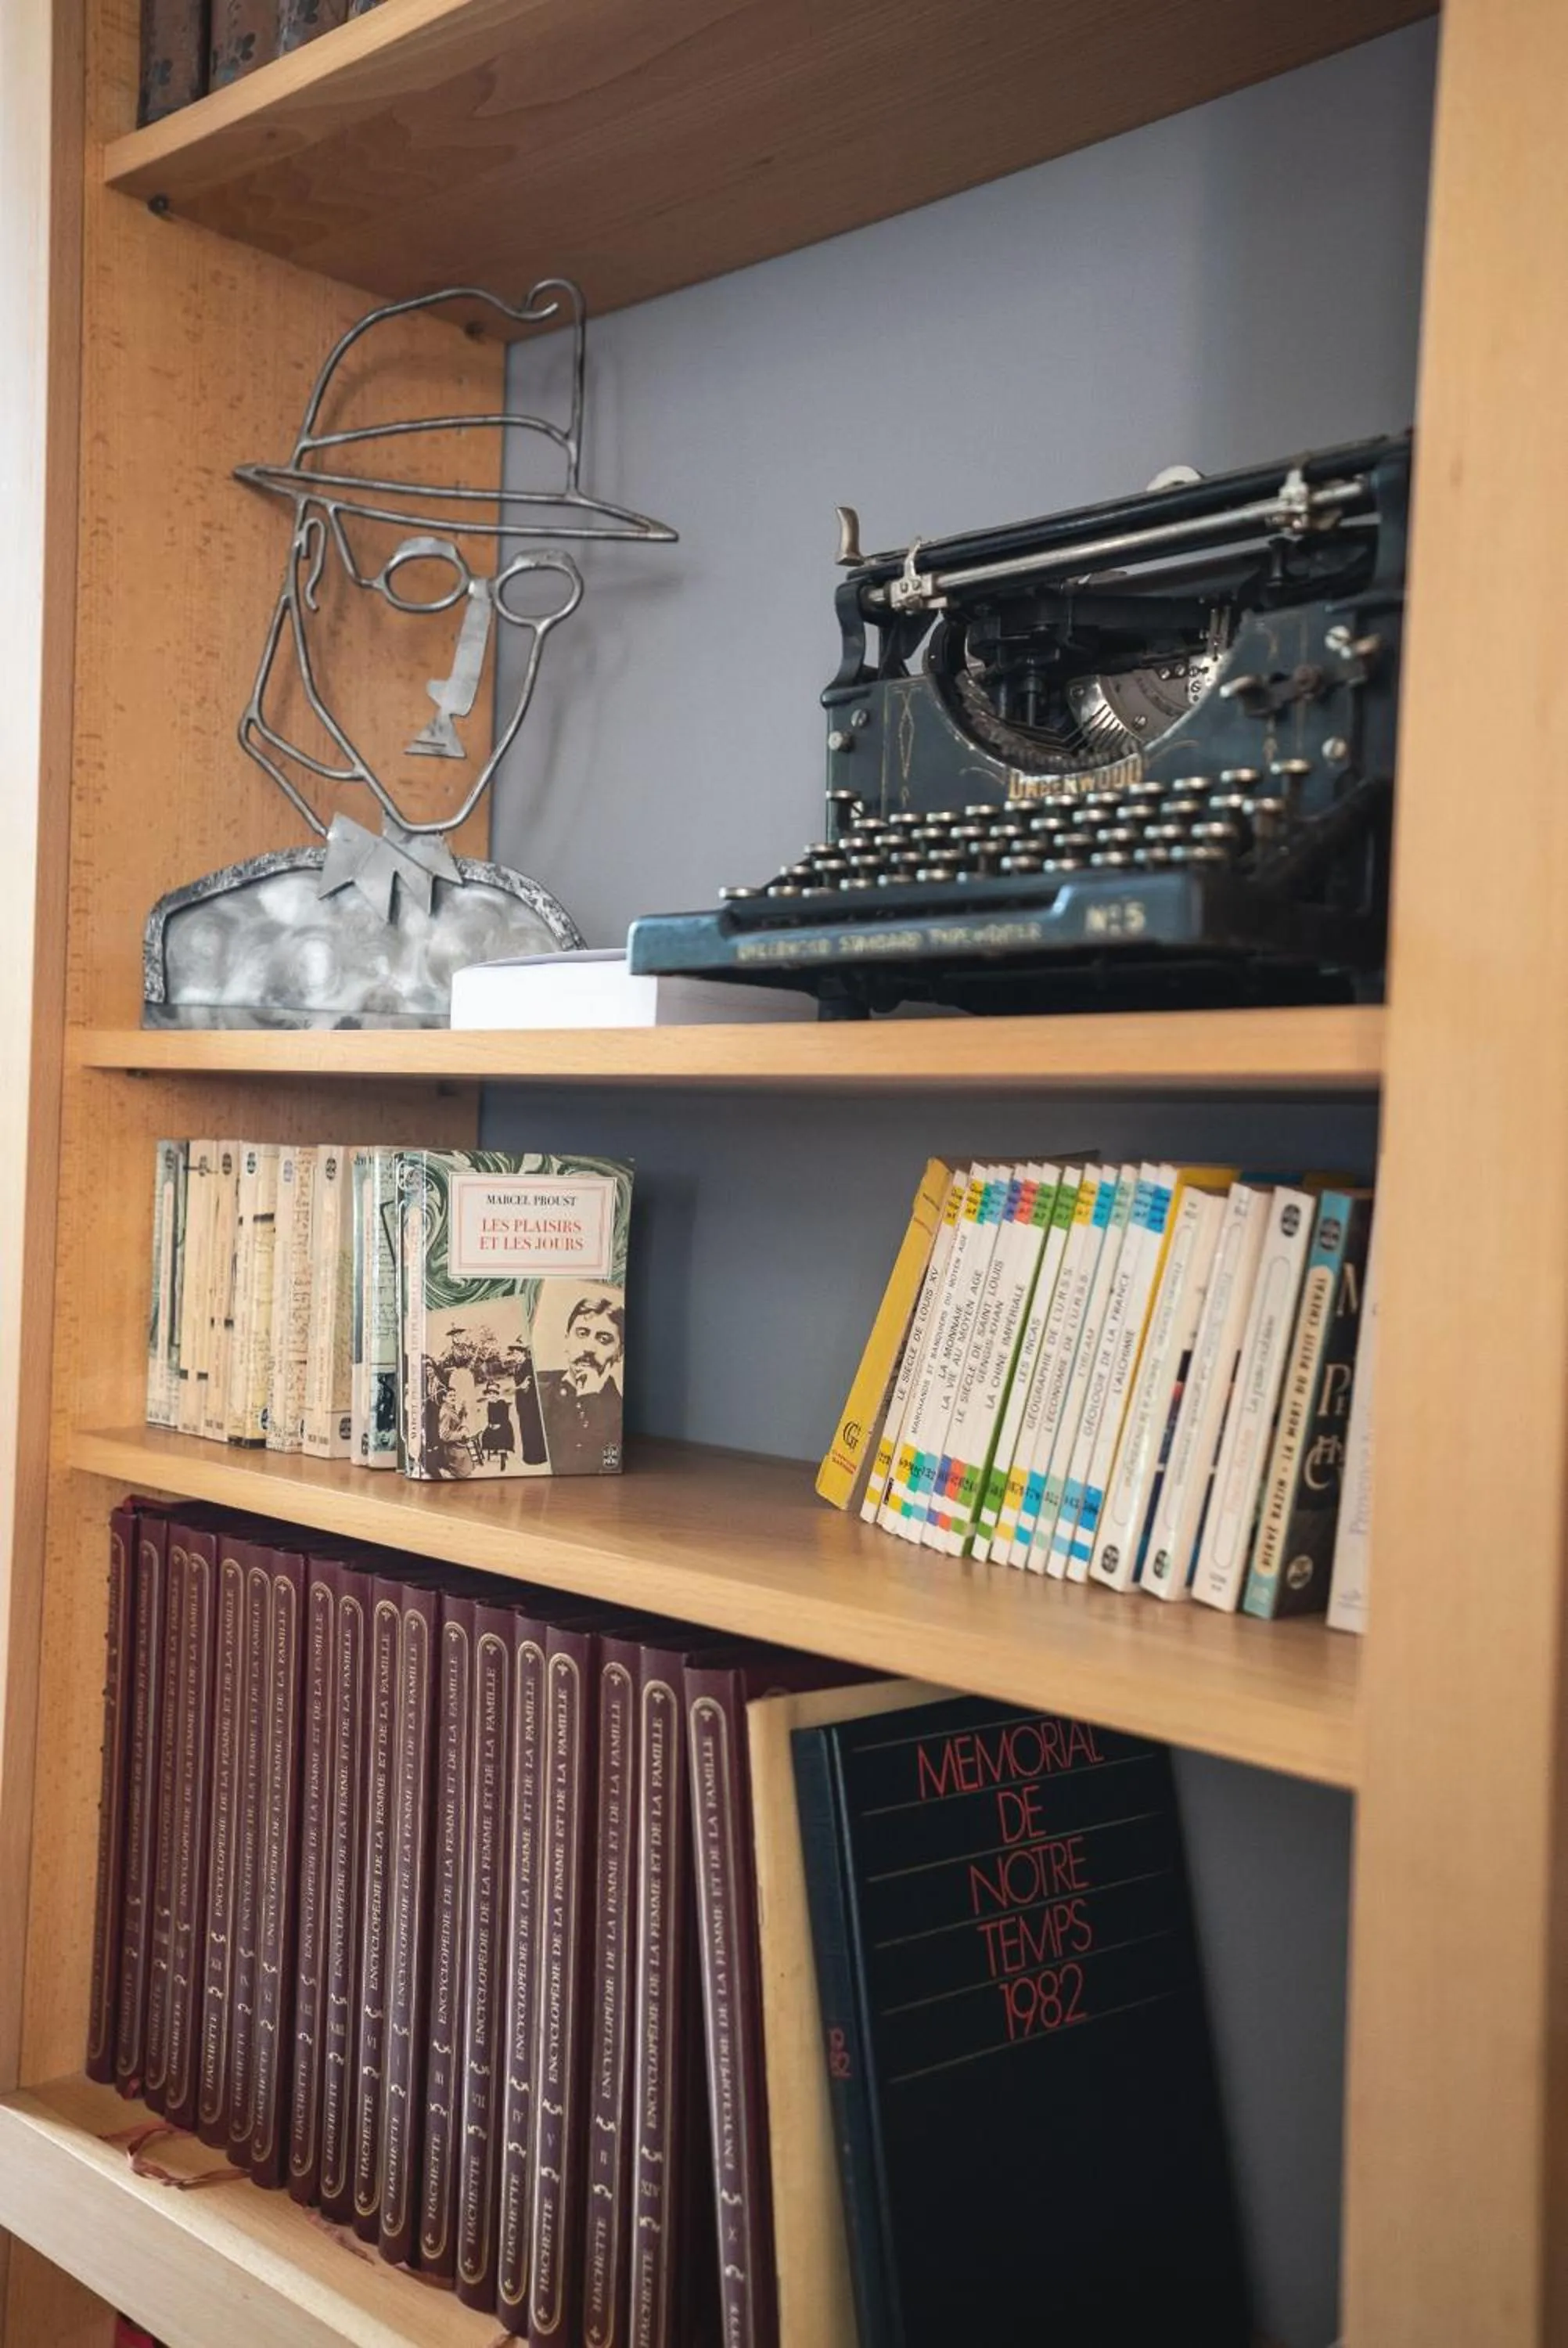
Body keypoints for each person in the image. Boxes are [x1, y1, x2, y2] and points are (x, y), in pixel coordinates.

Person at [538, 1295, 625, 1474]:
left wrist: (590, 1400)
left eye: (604, 1339)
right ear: (567, 1339)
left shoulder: (619, 1414)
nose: (589, 1348)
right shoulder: (538, 1384)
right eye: (582, 1334)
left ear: (619, 1353)